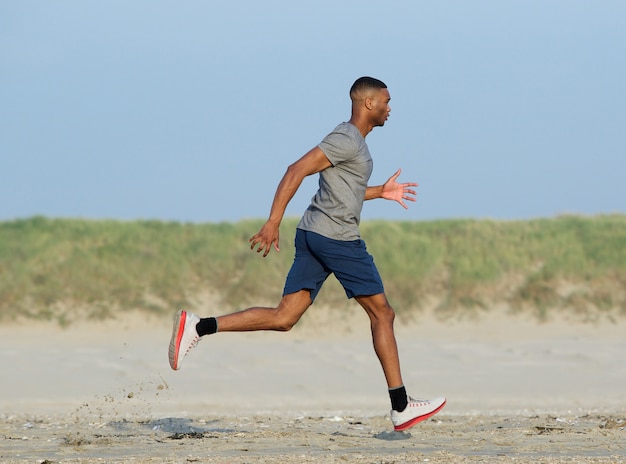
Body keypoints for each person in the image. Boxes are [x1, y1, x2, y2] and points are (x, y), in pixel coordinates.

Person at [168, 76, 445, 431]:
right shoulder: (346, 138)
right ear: (369, 103)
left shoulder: (353, 142)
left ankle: (198, 326)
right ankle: (401, 405)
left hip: (314, 233)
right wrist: (272, 222)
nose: (391, 108)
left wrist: (379, 192)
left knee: (285, 317)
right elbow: (295, 170)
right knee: (383, 313)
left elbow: (342, 191)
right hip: (337, 239)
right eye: (387, 101)